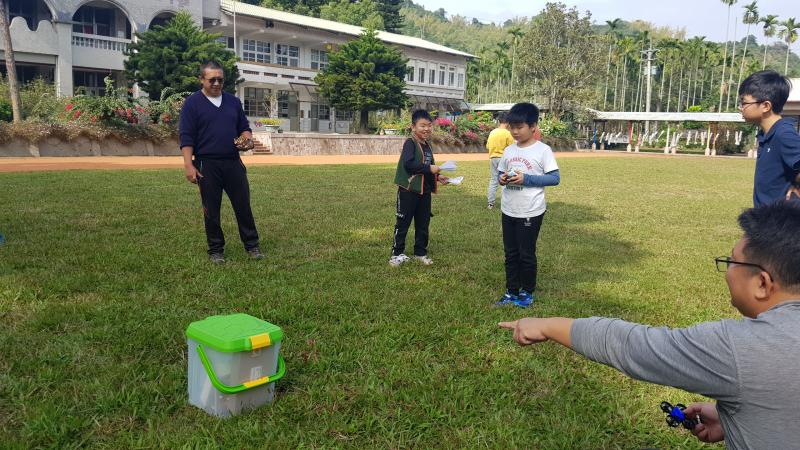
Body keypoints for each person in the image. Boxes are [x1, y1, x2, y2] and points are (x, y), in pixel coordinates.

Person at [499, 201, 800, 449]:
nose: (727, 270)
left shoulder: (740, 350)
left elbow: (631, 346)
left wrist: (546, 325)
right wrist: (734, 419)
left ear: (762, 284)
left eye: (732, 262)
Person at [179, 61, 264, 264]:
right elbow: (186, 136)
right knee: (211, 210)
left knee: (243, 206)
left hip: (233, 163)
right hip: (206, 165)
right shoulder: (192, 103)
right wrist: (188, 165)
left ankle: (252, 246)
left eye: (220, 79)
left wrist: (247, 140)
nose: (217, 83)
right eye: (212, 80)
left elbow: (244, 127)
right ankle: (216, 250)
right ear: (202, 80)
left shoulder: (233, 102)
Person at [495, 103, 560, 307]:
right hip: (509, 209)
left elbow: (554, 178)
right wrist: (503, 179)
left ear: (533, 126)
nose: (514, 131)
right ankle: (511, 291)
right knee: (510, 253)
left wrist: (526, 179)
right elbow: (499, 174)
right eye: (511, 127)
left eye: (519, 127)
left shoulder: (543, 150)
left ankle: (527, 292)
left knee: (526, 253)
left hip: (530, 211)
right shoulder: (508, 150)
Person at [389, 110, 448, 267]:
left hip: (424, 191)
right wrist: (430, 169)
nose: (426, 129)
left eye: (429, 125)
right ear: (413, 127)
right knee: (403, 222)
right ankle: (396, 254)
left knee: (423, 223)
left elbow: (425, 167)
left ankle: (420, 253)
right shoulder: (410, 143)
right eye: (422, 125)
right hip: (408, 191)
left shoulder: (427, 145)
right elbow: (408, 164)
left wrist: (437, 176)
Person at [737, 70, 800, 205]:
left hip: (780, 223)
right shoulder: (767, 135)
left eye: (744, 103)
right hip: (764, 219)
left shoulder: (784, 134)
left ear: (766, 106)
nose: (740, 108)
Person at [486, 113, 515, 209]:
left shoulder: (492, 132)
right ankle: (505, 203)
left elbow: (487, 146)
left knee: (494, 180)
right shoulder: (508, 133)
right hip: (503, 158)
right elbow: (512, 148)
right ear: (508, 122)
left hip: (493, 158)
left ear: (499, 121)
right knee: (505, 180)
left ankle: (490, 203)